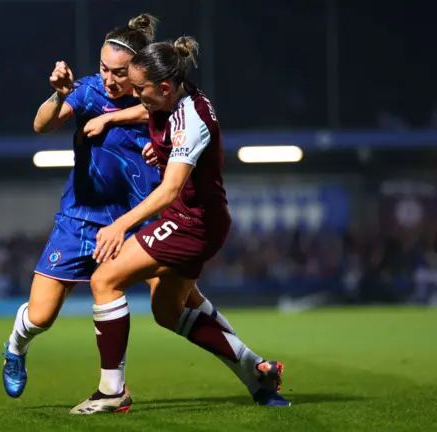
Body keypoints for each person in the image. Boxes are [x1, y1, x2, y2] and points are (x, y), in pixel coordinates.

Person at [2, 14, 238, 400]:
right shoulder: (88, 92)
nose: (108, 79)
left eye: (118, 72)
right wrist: (60, 94)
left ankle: (245, 362)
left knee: (179, 301)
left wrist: (114, 121)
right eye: (102, 68)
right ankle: (15, 345)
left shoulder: (156, 96)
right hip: (82, 216)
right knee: (41, 316)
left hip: (138, 217)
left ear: (138, 71)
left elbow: (171, 114)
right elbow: (42, 125)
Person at [70, 36, 291, 414]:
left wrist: (118, 225)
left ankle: (111, 391)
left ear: (165, 88)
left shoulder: (191, 121)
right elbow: (147, 114)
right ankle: (258, 371)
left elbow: (170, 190)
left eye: (140, 89)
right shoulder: (172, 96)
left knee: (104, 279)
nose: (135, 96)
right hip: (196, 219)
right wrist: (110, 117)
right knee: (169, 312)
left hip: (191, 222)